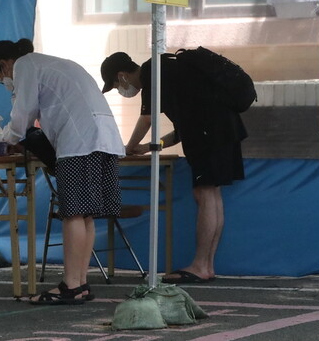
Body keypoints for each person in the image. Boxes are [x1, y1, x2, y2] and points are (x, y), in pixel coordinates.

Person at [0, 38, 124, 305]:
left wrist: (7, 138)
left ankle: (71, 285)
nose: (3, 80)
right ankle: (80, 282)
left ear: (3, 64)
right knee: (86, 215)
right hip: (104, 139)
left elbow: (23, 113)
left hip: (79, 142)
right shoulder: (55, 63)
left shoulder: (25, 65)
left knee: (73, 212)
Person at [101, 49, 245, 284]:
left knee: (205, 194)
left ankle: (200, 265)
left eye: (116, 85)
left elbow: (147, 119)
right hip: (224, 130)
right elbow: (181, 129)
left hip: (208, 135)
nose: (120, 90)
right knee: (212, 194)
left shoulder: (151, 72)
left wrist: (127, 147)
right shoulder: (169, 71)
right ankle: (207, 265)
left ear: (122, 75)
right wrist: (150, 146)